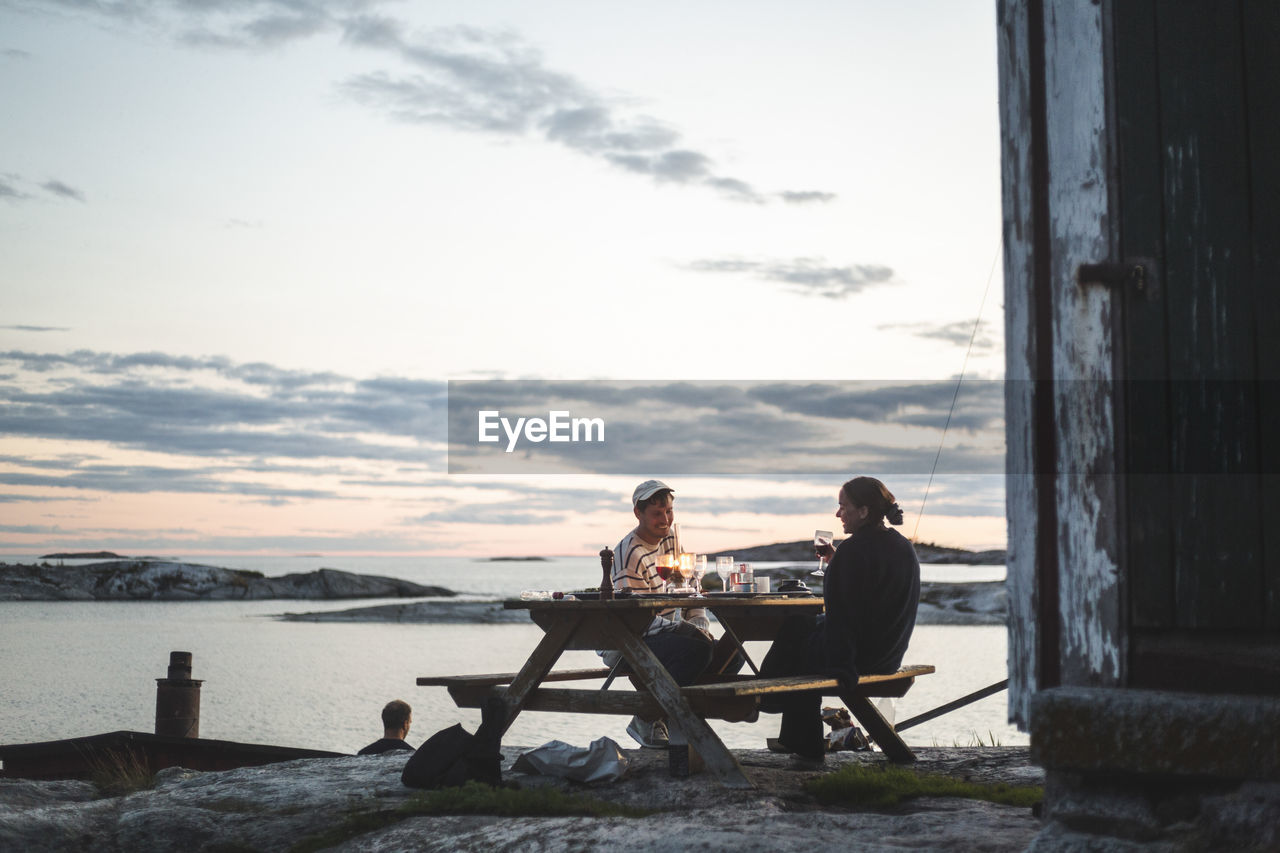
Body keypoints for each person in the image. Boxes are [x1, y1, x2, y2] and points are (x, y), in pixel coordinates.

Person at [759, 476, 920, 760]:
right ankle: (792, 733)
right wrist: (838, 562)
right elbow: (870, 597)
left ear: (864, 511)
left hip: (858, 659)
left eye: (842, 506)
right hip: (889, 654)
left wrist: (842, 669)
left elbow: (841, 619)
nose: (838, 514)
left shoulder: (854, 550)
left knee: (797, 635)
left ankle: (765, 700)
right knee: (803, 628)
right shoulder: (901, 545)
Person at [603, 480, 716, 749]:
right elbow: (632, 617)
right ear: (638, 514)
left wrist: (698, 619)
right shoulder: (629, 551)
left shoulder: (671, 538)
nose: (665, 519)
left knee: (725, 654)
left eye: (669, 511)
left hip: (665, 628)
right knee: (698, 650)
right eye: (657, 513)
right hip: (631, 637)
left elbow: (688, 587)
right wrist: (682, 630)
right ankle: (648, 717)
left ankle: (688, 717)